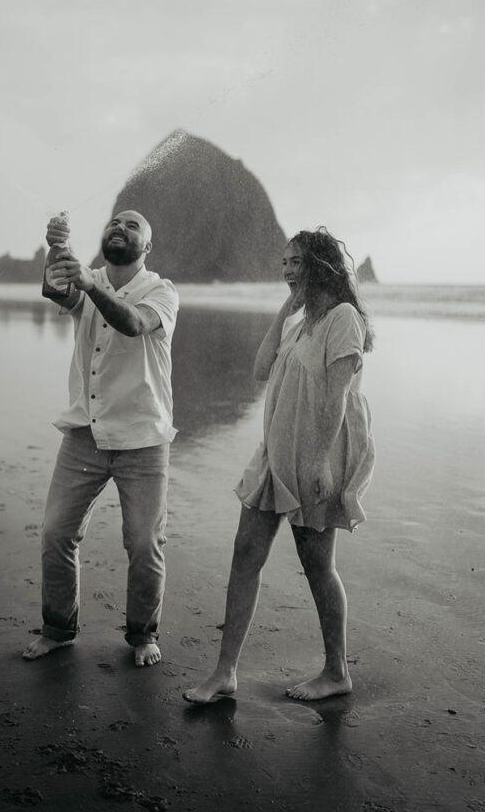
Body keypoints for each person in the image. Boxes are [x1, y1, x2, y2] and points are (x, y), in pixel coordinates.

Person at [183, 227, 375, 703]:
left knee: (317, 566)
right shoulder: (300, 322)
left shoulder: (343, 318)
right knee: (245, 552)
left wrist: (319, 463)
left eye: (296, 261)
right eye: (283, 263)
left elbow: (336, 397)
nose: (287, 270)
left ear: (321, 264)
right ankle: (225, 672)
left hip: (317, 453)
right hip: (274, 452)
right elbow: (259, 368)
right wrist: (283, 310)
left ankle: (336, 672)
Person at [23, 210, 179, 667]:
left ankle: (143, 635)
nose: (121, 228)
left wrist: (91, 284)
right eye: (115, 223)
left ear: (147, 247)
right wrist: (55, 246)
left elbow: (132, 324)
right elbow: (55, 288)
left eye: (133, 226)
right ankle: (58, 629)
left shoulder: (161, 290)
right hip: (84, 434)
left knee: (145, 543)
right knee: (56, 534)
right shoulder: (87, 282)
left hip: (143, 438)